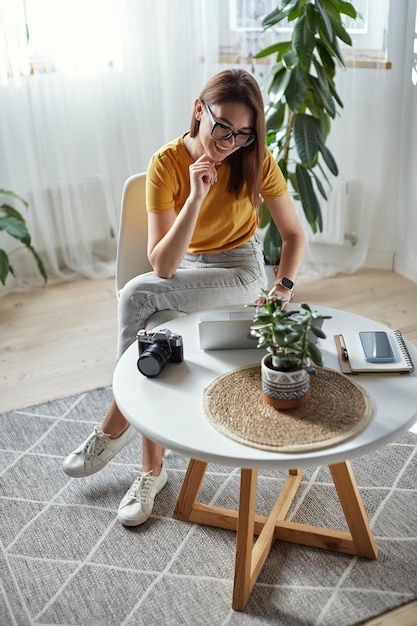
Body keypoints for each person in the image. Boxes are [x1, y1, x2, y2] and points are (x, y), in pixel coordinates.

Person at [62, 68, 306, 526]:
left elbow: (294, 235)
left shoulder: (256, 162)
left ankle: (116, 423)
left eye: (243, 136)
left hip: (242, 270)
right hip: (191, 267)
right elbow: (165, 266)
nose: (230, 143)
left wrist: (283, 288)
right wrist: (195, 196)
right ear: (200, 110)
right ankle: (151, 471)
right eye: (223, 128)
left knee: (136, 297)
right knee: (152, 323)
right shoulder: (167, 163)